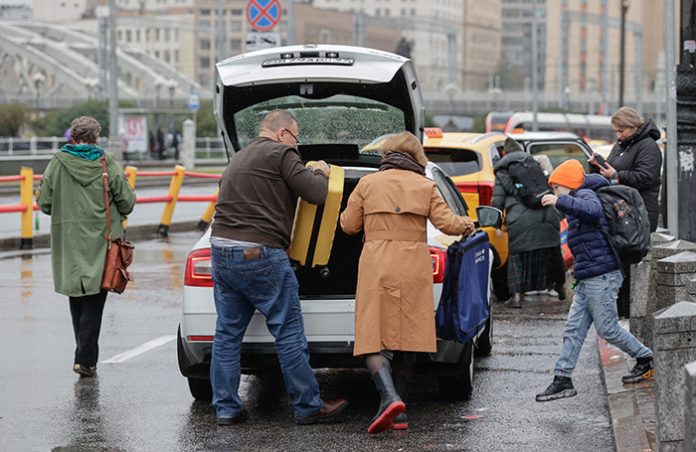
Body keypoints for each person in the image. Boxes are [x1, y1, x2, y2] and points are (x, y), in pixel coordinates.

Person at [209, 109, 348, 426]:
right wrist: (321, 171)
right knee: (287, 332)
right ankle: (308, 405)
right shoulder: (283, 152)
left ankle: (227, 408)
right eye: (297, 138)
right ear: (284, 133)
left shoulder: (240, 157)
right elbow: (315, 194)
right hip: (259, 254)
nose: (296, 146)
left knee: (227, 335)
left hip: (221, 251)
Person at [340, 131, 475, 433]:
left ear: (388, 153)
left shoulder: (367, 183)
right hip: (414, 263)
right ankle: (398, 411)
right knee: (407, 334)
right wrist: (469, 225)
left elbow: (349, 226)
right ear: (416, 156)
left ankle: (387, 397)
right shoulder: (425, 185)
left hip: (377, 262)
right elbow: (448, 224)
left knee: (373, 334)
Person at [536, 160, 653, 402]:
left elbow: (592, 211)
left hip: (603, 275)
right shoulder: (576, 200)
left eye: (556, 187)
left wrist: (560, 201)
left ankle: (646, 358)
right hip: (589, 276)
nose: (554, 193)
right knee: (573, 329)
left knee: (607, 328)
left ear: (567, 185)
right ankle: (562, 378)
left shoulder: (588, 194)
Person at [37, 116, 136, 378]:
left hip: (68, 240)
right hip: (102, 241)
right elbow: (126, 201)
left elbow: (44, 202)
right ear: (96, 137)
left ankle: (84, 355)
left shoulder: (57, 163)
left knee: (77, 295)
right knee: (95, 298)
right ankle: (85, 358)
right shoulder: (107, 162)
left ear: (73, 137)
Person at [590, 107, 662, 318]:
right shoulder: (623, 144)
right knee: (619, 262)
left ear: (634, 126)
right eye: (616, 131)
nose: (619, 135)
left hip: (639, 213)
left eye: (622, 130)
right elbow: (614, 170)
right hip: (621, 211)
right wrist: (599, 167)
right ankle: (620, 313)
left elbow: (647, 177)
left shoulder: (647, 145)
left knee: (631, 264)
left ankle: (630, 315)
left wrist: (616, 174)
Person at [491, 137, 566, 308]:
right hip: (547, 214)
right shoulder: (535, 164)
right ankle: (560, 287)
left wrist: (495, 225)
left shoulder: (503, 172)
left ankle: (516, 296)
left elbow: (497, 201)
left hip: (520, 220)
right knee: (553, 253)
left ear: (505, 153)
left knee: (517, 257)